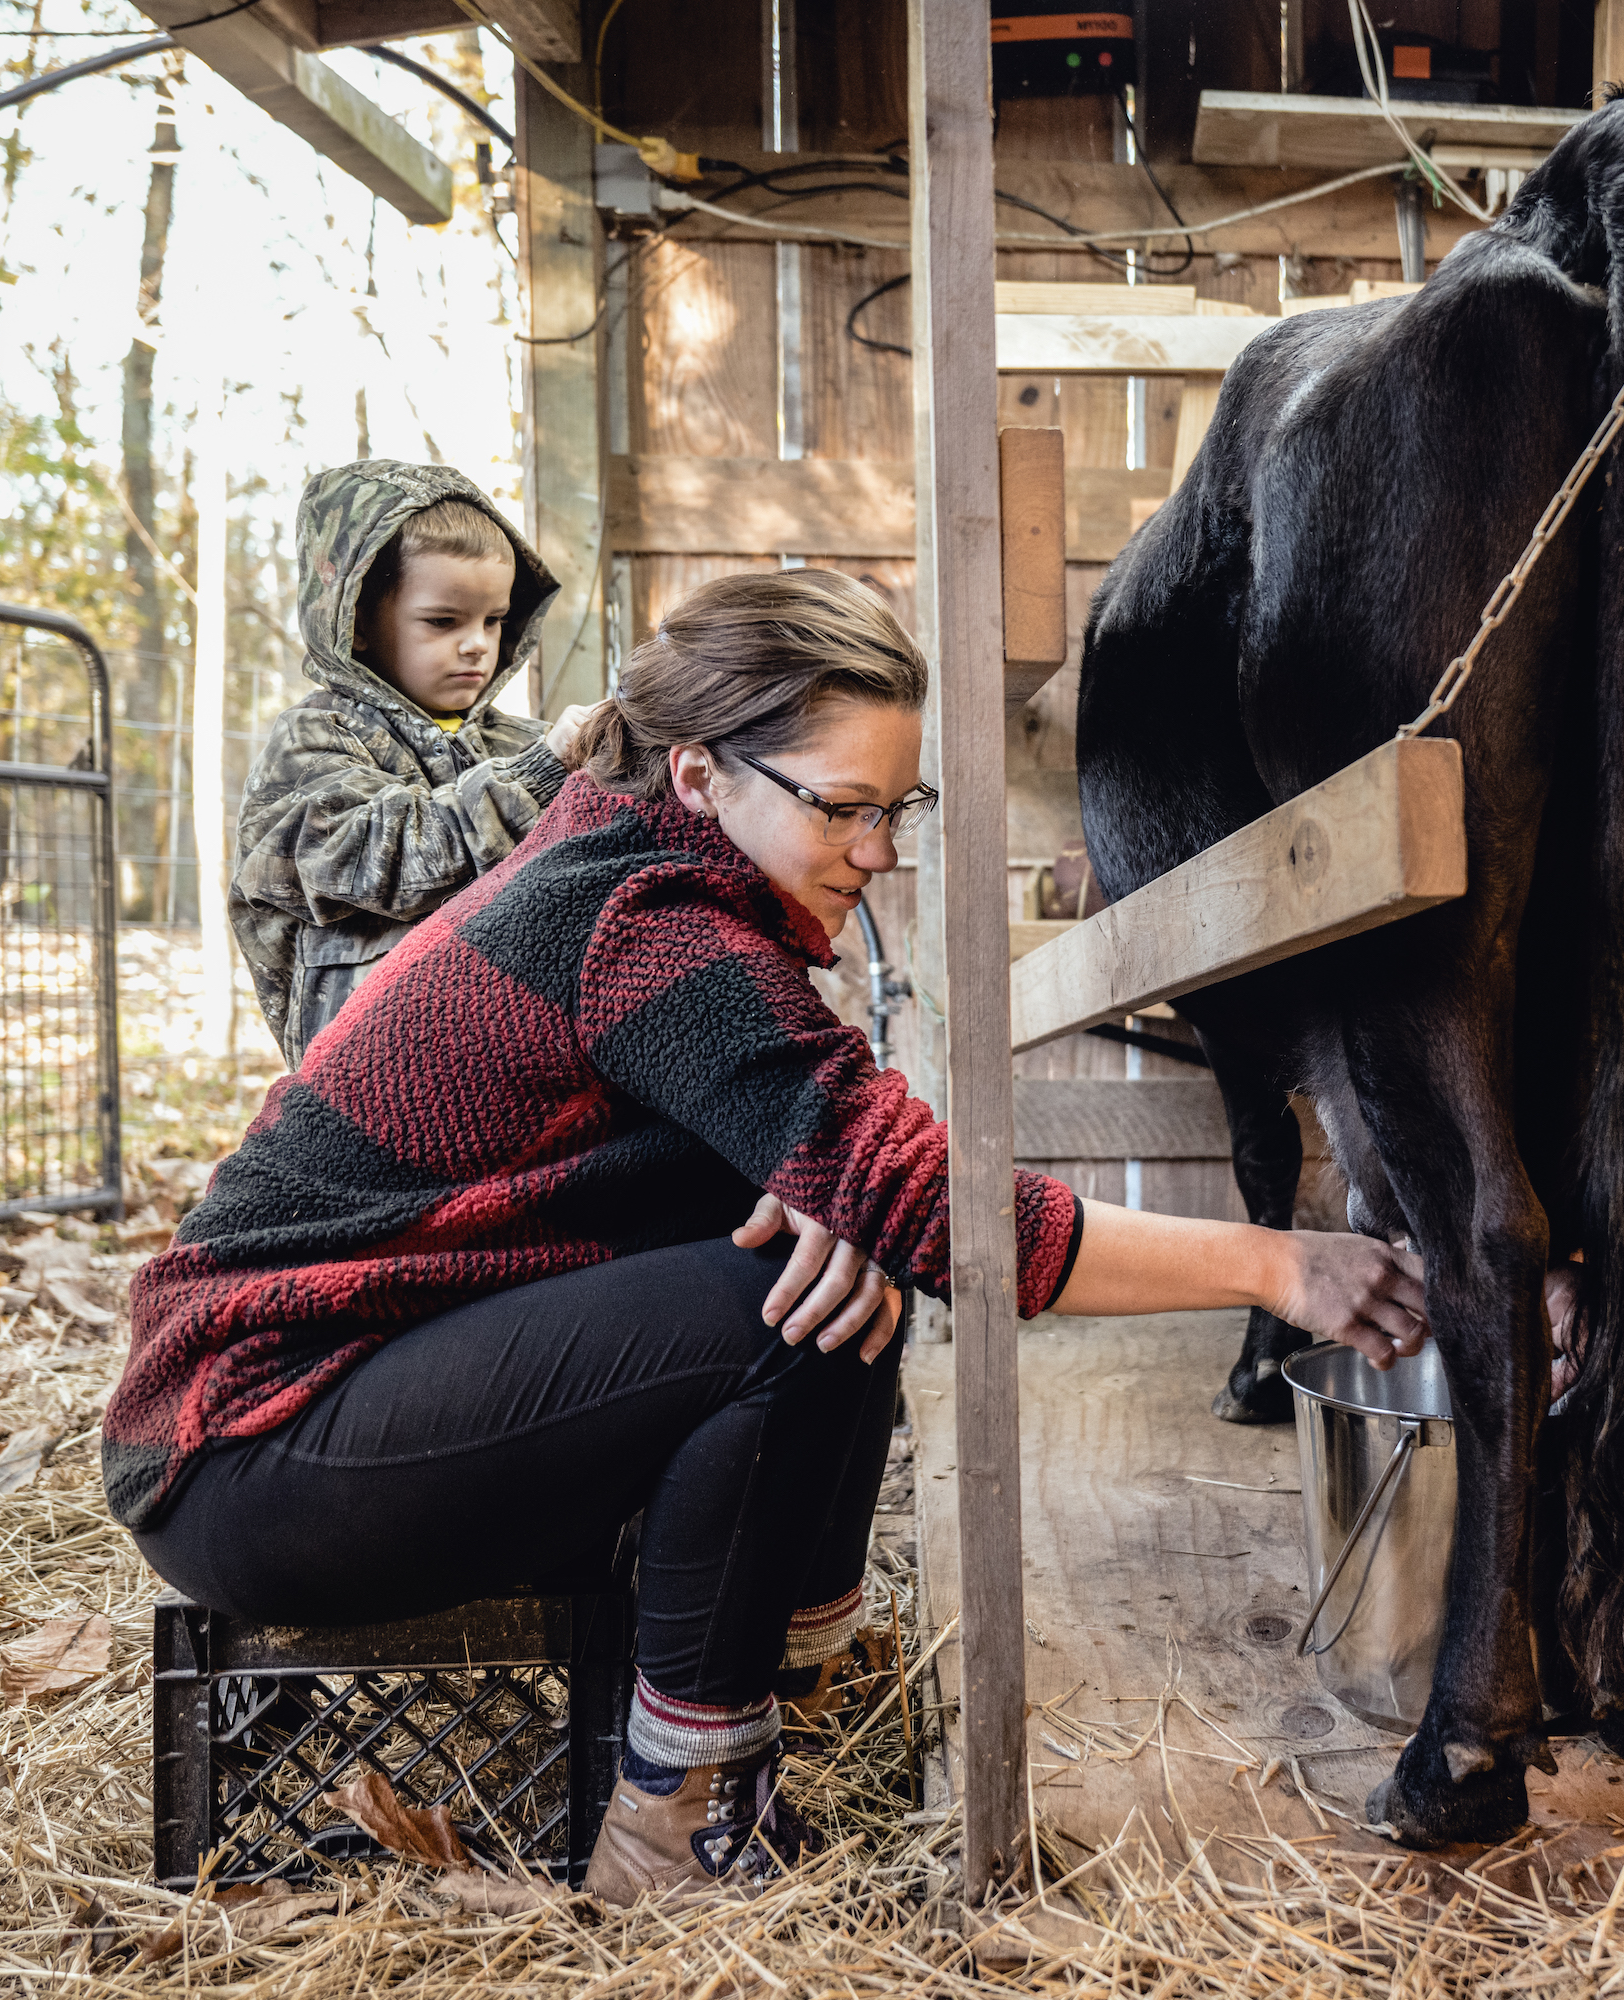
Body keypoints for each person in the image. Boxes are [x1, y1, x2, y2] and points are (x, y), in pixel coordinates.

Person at [105, 570, 1431, 1908]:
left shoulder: (645, 864)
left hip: (343, 1394)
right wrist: (1287, 1267)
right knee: (788, 1303)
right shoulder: (642, 925)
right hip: (250, 1443)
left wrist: (831, 1195)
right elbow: (934, 1208)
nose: (878, 852)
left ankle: (788, 1677)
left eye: (893, 808)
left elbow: (837, 1161)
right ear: (698, 777)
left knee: (837, 1269)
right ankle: (667, 1837)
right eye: (845, 808)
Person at [229, 460, 601, 1065]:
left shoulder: (520, 743)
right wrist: (540, 776)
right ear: (358, 623)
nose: (478, 643)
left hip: (528, 1068)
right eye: (443, 621)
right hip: (371, 1084)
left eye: (494, 620)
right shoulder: (314, 745)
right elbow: (388, 858)